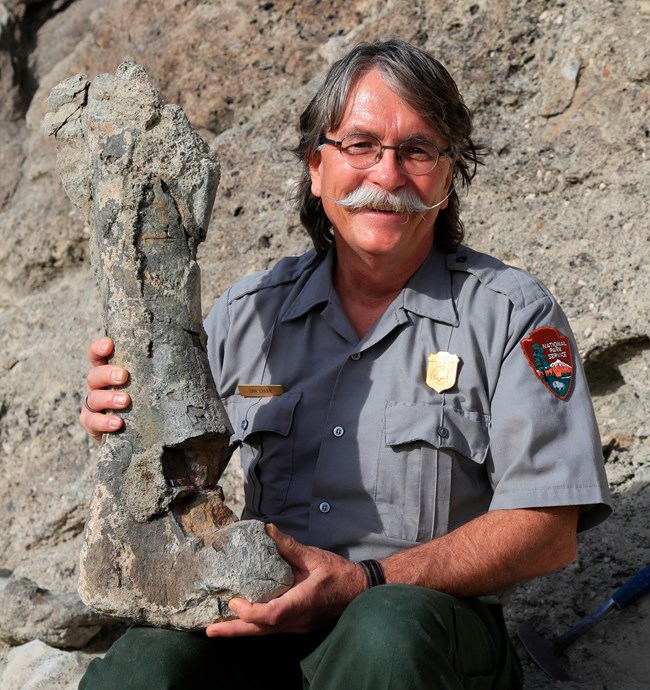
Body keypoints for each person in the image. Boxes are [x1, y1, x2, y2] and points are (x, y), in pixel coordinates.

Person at [78, 38, 611, 689]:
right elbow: (170, 482)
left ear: (449, 174)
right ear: (315, 166)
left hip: (426, 633)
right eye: (359, 146)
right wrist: (121, 417)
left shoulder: (513, 315)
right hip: (266, 622)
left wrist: (366, 582)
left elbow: (550, 530)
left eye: (416, 150)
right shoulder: (247, 314)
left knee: (383, 630)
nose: (386, 176)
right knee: (142, 667)